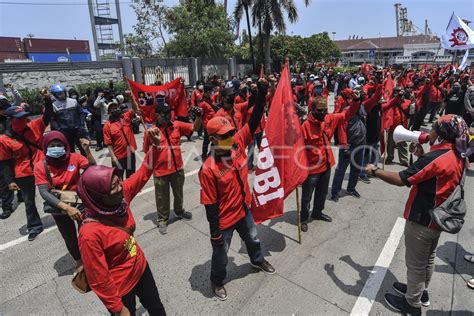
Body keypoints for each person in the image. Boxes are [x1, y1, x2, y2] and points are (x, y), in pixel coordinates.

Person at [365, 114, 469, 315]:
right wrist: (422, 155)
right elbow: (434, 174)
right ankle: (422, 293)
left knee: (415, 264)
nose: (428, 131)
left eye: (434, 128)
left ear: (440, 134)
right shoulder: (458, 153)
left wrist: (375, 171)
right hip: (438, 218)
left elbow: (402, 179)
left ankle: (412, 305)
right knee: (427, 259)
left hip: (423, 219)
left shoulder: (437, 158)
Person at [198, 79, 275, 301]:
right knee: (221, 256)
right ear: (213, 139)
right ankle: (216, 280)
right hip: (224, 220)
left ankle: (257, 260)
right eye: (225, 135)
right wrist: (215, 234)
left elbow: (252, 121)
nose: (230, 137)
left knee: (253, 239)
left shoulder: (238, 142)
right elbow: (210, 205)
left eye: (230, 132)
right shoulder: (209, 169)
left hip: (244, 209)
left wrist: (261, 95)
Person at [77, 129, 166, 315]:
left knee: (156, 308)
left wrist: (155, 147)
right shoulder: (89, 234)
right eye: (113, 187)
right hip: (121, 286)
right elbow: (98, 278)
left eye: (118, 182)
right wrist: (118, 309)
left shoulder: (121, 197)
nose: (119, 189)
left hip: (140, 266)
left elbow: (143, 173)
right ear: (97, 196)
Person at [34, 131, 95, 269]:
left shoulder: (74, 157)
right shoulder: (40, 166)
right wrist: (67, 208)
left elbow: (93, 169)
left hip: (79, 202)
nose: (56, 148)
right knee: (69, 236)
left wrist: (87, 151)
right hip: (59, 207)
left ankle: (92, 257)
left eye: (59, 144)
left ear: (65, 145)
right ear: (45, 147)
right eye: (52, 145)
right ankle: (79, 260)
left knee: (88, 232)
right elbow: (44, 192)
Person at [143, 96, 202, 235]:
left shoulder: (176, 125)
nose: (169, 116)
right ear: (157, 115)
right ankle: (162, 219)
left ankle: (179, 211)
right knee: (162, 197)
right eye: (165, 114)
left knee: (179, 193)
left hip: (177, 169)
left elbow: (194, 127)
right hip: (161, 172)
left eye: (170, 112)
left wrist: (199, 117)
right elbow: (147, 152)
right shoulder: (151, 132)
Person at [300, 95, 358, 231]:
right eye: (320, 110)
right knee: (306, 196)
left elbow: (346, 114)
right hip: (311, 169)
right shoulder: (305, 127)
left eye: (325, 110)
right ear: (312, 109)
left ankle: (317, 212)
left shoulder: (330, 119)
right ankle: (303, 218)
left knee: (322, 192)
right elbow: (298, 150)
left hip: (326, 166)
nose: (323, 113)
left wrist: (355, 101)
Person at [0, 95, 53, 241]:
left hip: (42, 167)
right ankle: (35, 226)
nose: (23, 120)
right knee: (29, 201)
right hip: (23, 173)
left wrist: (47, 99)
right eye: (19, 118)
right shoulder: (4, 140)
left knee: (53, 192)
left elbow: (48, 115)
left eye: (24, 117)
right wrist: (10, 181)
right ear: (10, 120)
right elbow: (5, 163)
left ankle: (61, 214)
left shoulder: (34, 126)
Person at [50, 84, 89, 156]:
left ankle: (85, 162)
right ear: (55, 95)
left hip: (77, 129)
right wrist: (59, 129)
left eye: (62, 93)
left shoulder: (73, 101)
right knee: (70, 149)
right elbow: (52, 120)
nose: (61, 95)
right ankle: (73, 164)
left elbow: (81, 113)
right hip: (65, 131)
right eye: (59, 94)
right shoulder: (54, 105)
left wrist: (81, 124)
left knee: (83, 147)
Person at [103, 100, 138, 179]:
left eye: (116, 107)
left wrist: (131, 97)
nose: (115, 110)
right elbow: (109, 143)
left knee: (131, 177)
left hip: (130, 154)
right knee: (119, 178)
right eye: (112, 109)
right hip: (119, 157)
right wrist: (113, 157)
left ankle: (130, 190)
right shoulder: (107, 126)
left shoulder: (125, 117)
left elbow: (135, 109)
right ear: (108, 112)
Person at [198, 85, 216, 161]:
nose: (210, 94)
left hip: (214, 123)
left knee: (215, 140)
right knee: (206, 141)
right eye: (209, 92)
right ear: (206, 92)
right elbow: (200, 115)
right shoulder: (202, 102)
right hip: (207, 124)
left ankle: (210, 154)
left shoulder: (210, 99)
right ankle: (204, 155)